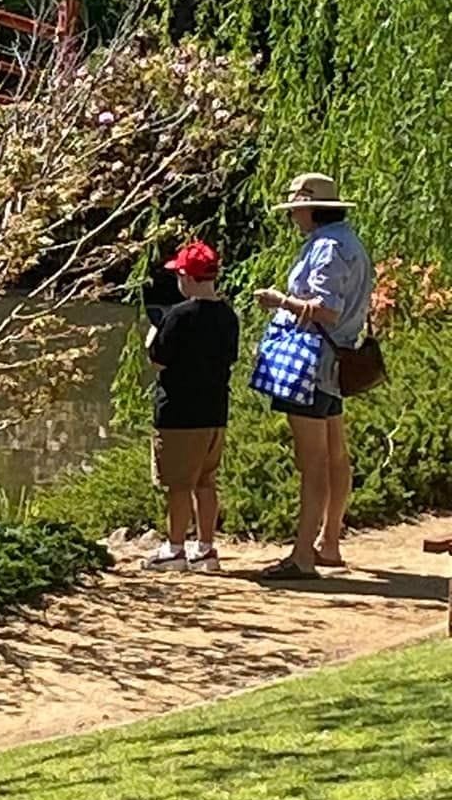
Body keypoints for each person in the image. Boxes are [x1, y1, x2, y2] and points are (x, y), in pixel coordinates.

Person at [254, 172, 374, 580]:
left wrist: (279, 301)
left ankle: (303, 554)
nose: (293, 218)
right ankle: (329, 543)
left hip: (311, 360)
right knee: (335, 452)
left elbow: (327, 309)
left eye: (296, 209)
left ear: (310, 208)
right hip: (334, 359)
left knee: (314, 461)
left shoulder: (327, 248)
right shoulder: (349, 241)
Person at [143, 240, 241, 574]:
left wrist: (152, 333)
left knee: (178, 484)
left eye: (179, 275)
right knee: (206, 482)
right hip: (214, 412)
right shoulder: (228, 315)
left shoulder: (178, 316)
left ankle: (174, 549)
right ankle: (206, 549)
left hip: (179, 414)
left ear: (188, 276)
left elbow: (157, 360)